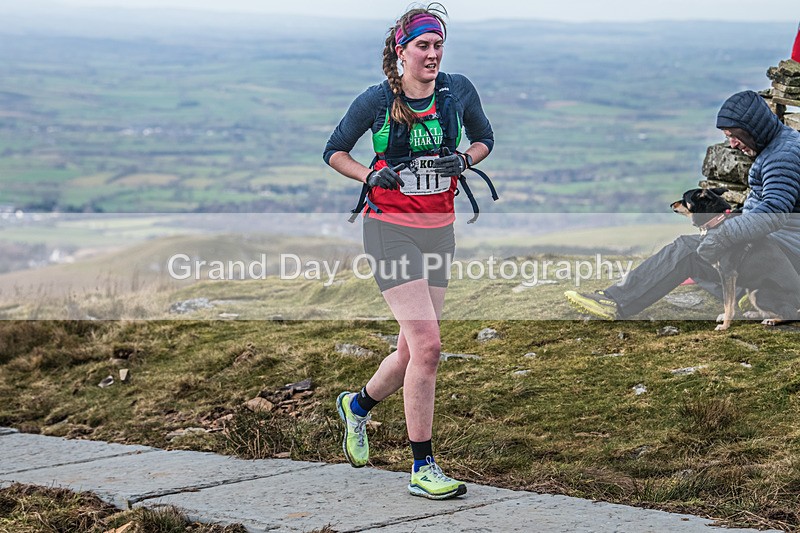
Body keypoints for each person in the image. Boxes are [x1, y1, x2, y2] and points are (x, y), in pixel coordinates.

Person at [322, 4, 493, 499]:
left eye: (439, 46)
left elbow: (485, 140)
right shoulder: (376, 100)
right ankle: (422, 467)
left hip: (439, 231)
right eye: (423, 46)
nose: (433, 55)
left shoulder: (457, 91)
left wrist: (462, 158)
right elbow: (334, 150)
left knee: (409, 351)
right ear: (402, 51)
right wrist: (369, 174)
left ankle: (355, 407)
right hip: (388, 230)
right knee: (430, 348)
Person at [565, 90, 800, 320]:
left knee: (687, 250)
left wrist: (721, 236)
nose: (732, 144)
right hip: (780, 250)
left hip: (786, 255)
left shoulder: (781, 157)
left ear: (752, 129)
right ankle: (759, 295)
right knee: (701, 254)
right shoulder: (781, 145)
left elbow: (771, 214)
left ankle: (615, 301)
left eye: (734, 135)